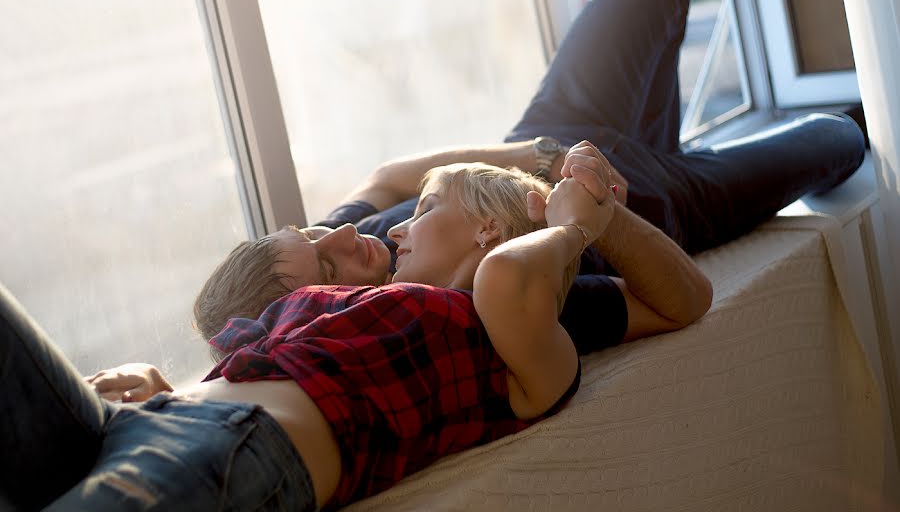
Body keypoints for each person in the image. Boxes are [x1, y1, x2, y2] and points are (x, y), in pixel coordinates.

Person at [186, 0, 864, 357]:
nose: (343, 233)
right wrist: (600, 216)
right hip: (656, 204)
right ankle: (693, 154)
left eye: (310, 232)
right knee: (842, 137)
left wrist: (541, 154)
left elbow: (389, 174)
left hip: (558, 128)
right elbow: (677, 297)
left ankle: (665, 140)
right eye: (328, 259)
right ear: (327, 310)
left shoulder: (353, 237)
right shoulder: (478, 309)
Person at [1, 154, 711, 510]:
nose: (395, 226)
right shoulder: (349, 299)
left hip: (239, 448)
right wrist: (172, 389)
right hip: (146, 422)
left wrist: (584, 224)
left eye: (426, 208)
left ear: (490, 230)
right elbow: (258, 358)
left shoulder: (513, 349)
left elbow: (686, 298)